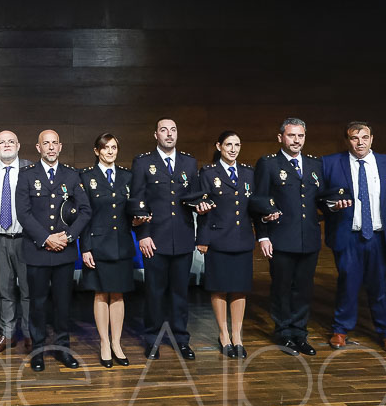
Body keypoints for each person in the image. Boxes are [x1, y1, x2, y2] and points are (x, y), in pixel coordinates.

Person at [321, 121, 386, 354]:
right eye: (354, 138)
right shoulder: (329, 163)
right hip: (348, 234)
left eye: (364, 137)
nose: (360, 142)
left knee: (378, 286)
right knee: (347, 282)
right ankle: (340, 330)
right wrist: (333, 205)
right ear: (347, 140)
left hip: (378, 235)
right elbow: (320, 198)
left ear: (372, 139)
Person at [130, 118, 209, 361]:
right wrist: (142, 236)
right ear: (156, 134)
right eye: (164, 130)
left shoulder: (189, 161)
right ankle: (152, 339)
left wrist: (202, 208)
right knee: (154, 293)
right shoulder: (143, 162)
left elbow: (194, 197)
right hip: (155, 239)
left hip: (183, 237)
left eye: (173, 130)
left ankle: (181, 339)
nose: (169, 134)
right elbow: (137, 202)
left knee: (180, 294)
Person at [197, 131, 278, 359]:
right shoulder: (209, 172)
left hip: (242, 238)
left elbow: (255, 208)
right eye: (228, 144)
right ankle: (223, 334)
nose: (233, 149)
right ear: (219, 146)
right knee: (219, 287)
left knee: (239, 288)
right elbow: (203, 209)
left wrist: (264, 225)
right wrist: (202, 239)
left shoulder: (248, 173)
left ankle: (237, 335)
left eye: (237, 145)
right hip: (218, 239)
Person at [16, 130, 92, 372]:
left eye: (54, 143)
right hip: (38, 251)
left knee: (63, 304)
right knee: (37, 304)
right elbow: (23, 213)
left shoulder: (71, 175)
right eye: (45, 143)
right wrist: (46, 238)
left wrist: (68, 237)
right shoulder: (27, 175)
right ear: (38, 148)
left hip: (64, 252)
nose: (50, 148)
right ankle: (38, 350)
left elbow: (85, 210)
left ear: (60, 147)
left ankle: (62, 349)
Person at [255, 117, 326, 356]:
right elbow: (258, 201)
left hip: (309, 238)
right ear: (280, 137)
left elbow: (320, 200)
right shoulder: (269, 164)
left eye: (300, 136)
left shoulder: (315, 165)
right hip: (281, 238)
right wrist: (263, 236)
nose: (296, 140)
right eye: (291, 135)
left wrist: (333, 206)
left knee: (304, 289)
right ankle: (284, 333)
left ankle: (300, 334)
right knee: (282, 288)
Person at [78, 133, 134, 368]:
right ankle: (103, 343)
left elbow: (133, 209)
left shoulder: (127, 176)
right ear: (96, 151)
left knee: (118, 294)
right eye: (105, 148)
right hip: (98, 244)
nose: (110, 151)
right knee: (101, 293)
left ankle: (117, 343)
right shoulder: (86, 177)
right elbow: (83, 215)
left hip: (120, 243)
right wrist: (86, 247)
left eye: (113, 147)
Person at [0, 130, 32, 353]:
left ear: (18, 145)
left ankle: (30, 333)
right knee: (5, 290)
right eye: (2, 142)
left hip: (26, 240)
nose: (7, 145)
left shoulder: (31, 168)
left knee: (29, 290)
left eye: (11, 141)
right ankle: (7, 333)